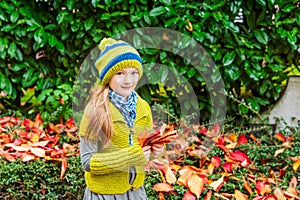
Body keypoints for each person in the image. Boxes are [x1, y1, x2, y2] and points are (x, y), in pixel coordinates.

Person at [79, 38, 164, 200]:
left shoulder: (143, 107)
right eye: (120, 73)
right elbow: (87, 162)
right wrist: (130, 157)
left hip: (137, 192)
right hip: (104, 195)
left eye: (134, 72)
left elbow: (143, 148)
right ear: (108, 77)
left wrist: (155, 152)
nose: (128, 80)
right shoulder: (95, 111)